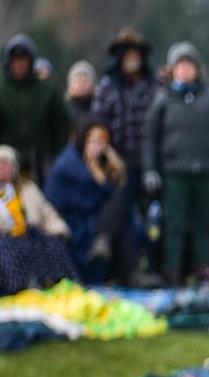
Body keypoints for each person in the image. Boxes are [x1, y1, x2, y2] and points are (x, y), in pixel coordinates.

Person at [143, 42, 209, 286]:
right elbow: (150, 137)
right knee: (174, 223)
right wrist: (150, 169)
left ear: (198, 69)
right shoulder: (163, 100)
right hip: (174, 171)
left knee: (204, 223)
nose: (186, 70)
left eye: (190, 65)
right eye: (181, 65)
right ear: (173, 70)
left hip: (205, 169)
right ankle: (174, 269)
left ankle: (205, 268)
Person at [0, 145, 75, 296]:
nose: (1, 167)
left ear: (14, 168)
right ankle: (20, 287)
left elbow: (48, 214)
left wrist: (59, 231)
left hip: (29, 235)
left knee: (53, 243)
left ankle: (59, 283)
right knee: (4, 246)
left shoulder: (28, 189)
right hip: (0, 238)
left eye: (5, 164)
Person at [43, 123, 138, 286]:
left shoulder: (106, 166)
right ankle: (107, 245)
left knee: (120, 211)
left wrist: (102, 175)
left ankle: (109, 248)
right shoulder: (68, 165)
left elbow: (115, 192)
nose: (97, 146)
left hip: (98, 216)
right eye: (93, 141)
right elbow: (57, 198)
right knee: (116, 211)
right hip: (74, 217)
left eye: (101, 142)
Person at [0, 34, 71, 185]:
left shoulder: (48, 92)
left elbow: (61, 127)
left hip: (42, 168)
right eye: (16, 60)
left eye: (24, 60)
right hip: (6, 168)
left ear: (31, 62)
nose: (20, 64)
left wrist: (58, 159)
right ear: (9, 63)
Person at [92, 27, 159, 213]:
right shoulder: (107, 86)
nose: (131, 58)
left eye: (134, 53)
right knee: (121, 210)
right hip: (119, 162)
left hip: (152, 161)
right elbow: (98, 123)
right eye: (127, 54)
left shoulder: (155, 83)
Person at [64, 60, 96, 138]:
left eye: (85, 80)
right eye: (78, 80)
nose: (81, 84)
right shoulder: (63, 108)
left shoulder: (98, 107)